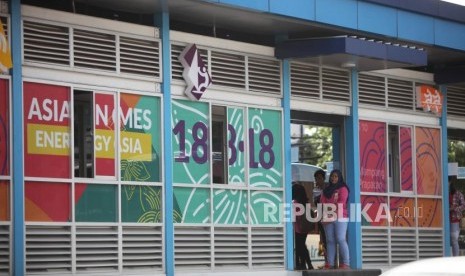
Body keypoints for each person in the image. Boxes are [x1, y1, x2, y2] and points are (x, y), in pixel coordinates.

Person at [320, 169, 350, 269]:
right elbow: (322, 202)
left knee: (341, 239)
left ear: (339, 177)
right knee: (330, 240)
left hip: (341, 216)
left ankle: (346, 263)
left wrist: (330, 208)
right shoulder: (326, 189)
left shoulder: (343, 188)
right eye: (332, 176)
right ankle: (330, 263)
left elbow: (342, 202)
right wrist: (329, 208)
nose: (333, 178)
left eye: (336, 176)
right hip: (328, 217)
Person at [292, 184, 314, 270]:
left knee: (299, 247)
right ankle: (306, 264)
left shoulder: (295, 203)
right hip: (305, 228)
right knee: (302, 246)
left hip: (297, 228)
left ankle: (302, 264)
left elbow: (293, 216)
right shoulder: (305, 202)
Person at [313, 169, 328, 266]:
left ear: (323, 178)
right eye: (316, 179)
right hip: (320, 218)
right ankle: (326, 261)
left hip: (328, 218)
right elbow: (315, 205)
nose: (317, 180)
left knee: (329, 239)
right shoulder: (315, 190)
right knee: (322, 240)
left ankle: (330, 261)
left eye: (319, 178)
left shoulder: (328, 189)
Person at [449, 177, 465, 257]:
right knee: (449, 239)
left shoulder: (458, 194)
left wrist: (454, 208)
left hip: (454, 219)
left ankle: (455, 258)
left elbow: (463, 205)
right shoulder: (444, 193)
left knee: (454, 239)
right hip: (445, 219)